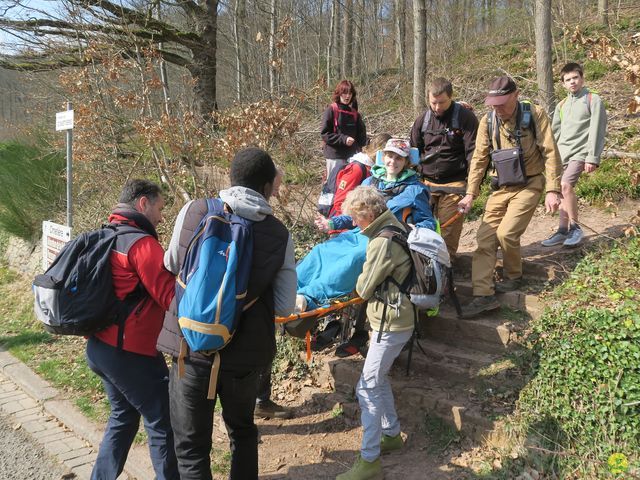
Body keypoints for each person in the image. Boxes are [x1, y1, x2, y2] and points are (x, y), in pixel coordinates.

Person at [156, 147, 297, 480]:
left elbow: (171, 264)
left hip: (189, 350)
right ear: (266, 187)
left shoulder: (195, 210)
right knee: (242, 432)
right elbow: (284, 306)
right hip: (245, 359)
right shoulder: (279, 234)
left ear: (230, 178)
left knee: (191, 447)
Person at [85, 179, 178, 480]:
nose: (161, 217)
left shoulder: (105, 235)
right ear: (142, 204)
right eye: (160, 208)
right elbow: (170, 298)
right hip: (131, 354)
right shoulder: (141, 244)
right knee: (163, 423)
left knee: (123, 417)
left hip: (100, 348)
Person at [316, 138, 436, 358]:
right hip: (360, 233)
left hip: (389, 240)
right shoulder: (371, 181)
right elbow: (354, 213)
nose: (393, 161)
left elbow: (428, 223)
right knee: (323, 251)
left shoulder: (415, 189)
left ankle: (358, 331)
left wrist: (411, 228)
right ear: (383, 156)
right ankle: (321, 308)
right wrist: (332, 223)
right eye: (390, 155)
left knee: (355, 260)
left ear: (407, 161)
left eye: (399, 157)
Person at [457, 76, 563, 318]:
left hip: (529, 184)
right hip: (501, 187)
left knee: (506, 233)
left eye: (502, 103)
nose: (498, 109)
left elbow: (550, 152)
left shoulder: (534, 114)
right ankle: (483, 295)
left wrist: (553, 189)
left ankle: (514, 275)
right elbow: (479, 160)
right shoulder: (488, 121)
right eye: (494, 104)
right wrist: (470, 194)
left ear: (516, 95)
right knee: (484, 239)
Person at [335, 186, 414, 480]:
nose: (355, 223)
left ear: (368, 214)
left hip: (391, 323)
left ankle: (369, 461)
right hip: (395, 318)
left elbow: (365, 288)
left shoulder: (382, 242)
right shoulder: (396, 225)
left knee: (366, 388)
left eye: (356, 218)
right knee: (377, 379)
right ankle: (391, 433)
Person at [410, 77, 479, 260]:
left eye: (442, 102)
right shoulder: (422, 121)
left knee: (448, 230)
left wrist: (472, 188)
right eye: (434, 103)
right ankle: (426, 270)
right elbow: (412, 155)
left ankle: (447, 270)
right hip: (427, 183)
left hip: (455, 183)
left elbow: (475, 154)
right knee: (424, 229)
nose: (438, 107)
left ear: (451, 97)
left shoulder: (465, 118)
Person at [541, 62, 607, 248]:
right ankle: (562, 230)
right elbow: (554, 133)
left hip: (581, 152)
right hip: (562, 154)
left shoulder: (593, 99)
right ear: (563, 84)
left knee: (565, 186)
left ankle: (575, 228)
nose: (572, 82)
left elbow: (597, 129)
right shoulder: (562, 105)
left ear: (582, 78)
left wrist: (592, 157)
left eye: (575, 78)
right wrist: (548, 156)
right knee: (559, 189)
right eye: (568, 79)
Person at [321, 79, 367, 178]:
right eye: (344, 93)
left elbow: (361, 136)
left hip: (352, 157)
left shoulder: (355, 113)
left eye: (350, 93)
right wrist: (344, 139)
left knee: (349, 187)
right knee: (333, 187)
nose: (347, 96)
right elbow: (325, 134)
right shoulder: (331, 110)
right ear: (339, 94)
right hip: (335, 156)